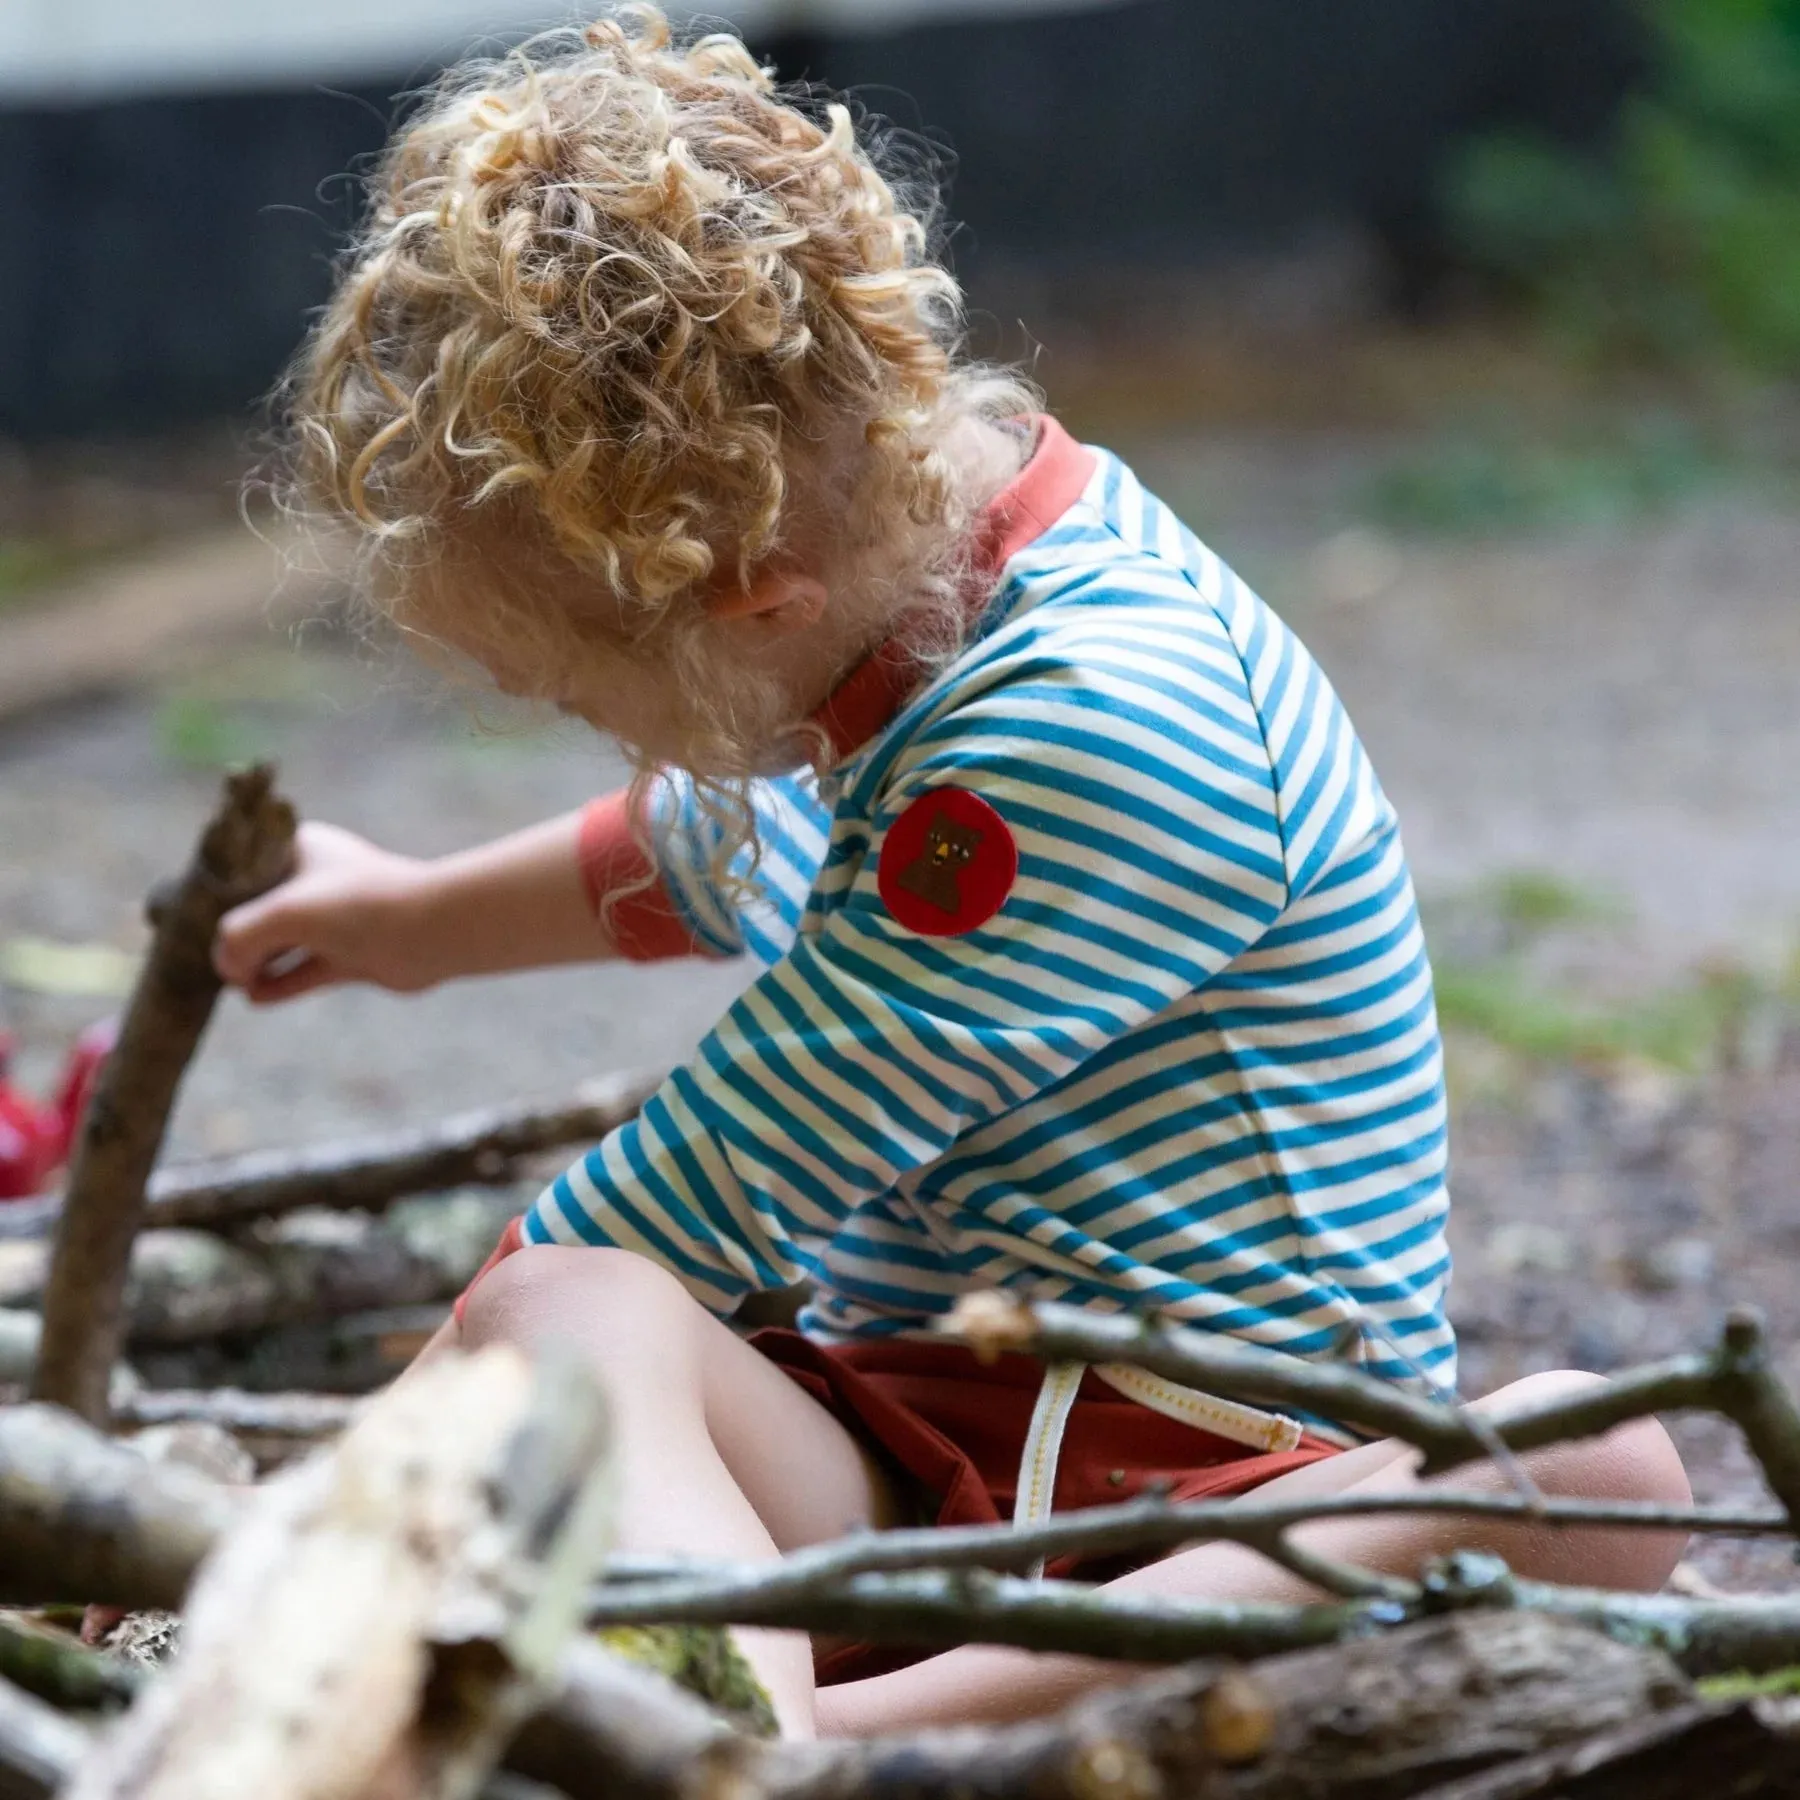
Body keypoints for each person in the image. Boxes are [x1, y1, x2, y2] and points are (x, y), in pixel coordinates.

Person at [215, 5, 1690, 1740]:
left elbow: (718, 1178)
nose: (605, 741)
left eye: (585, 694)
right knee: (558, 1308)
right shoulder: (905, 600)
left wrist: (372, 1459)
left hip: (1213, 1492)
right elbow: (725, 839)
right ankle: (774, 1695)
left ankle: (789, 1752)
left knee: (1605, 1457)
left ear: (748, 597)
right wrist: (408, 925)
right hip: (924, 1464)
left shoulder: (1082, 740)